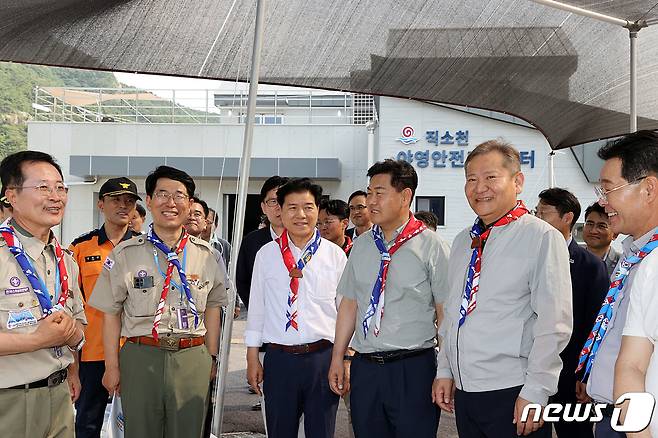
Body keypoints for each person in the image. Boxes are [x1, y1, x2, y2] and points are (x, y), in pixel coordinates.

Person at [434, 140, 572, 437]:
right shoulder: (463, 241)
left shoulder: (541, 237)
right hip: (465, 389)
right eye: (471, 179)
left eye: (490, 177)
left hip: (513, 391)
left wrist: (536, 391)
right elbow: (454, 311)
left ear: (518, 181)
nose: (479, 187)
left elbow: (554, 322)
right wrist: (444, 369)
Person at [89, 165, 228, 438]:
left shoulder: (208, 256)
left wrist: (211, 358)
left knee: (189, 431)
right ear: (150, 201)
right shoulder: (125, 254)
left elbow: (213, 308)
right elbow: (110, 314)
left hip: (192, 355)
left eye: (179, 195)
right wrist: (112, 366)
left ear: (189, 204)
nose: (171, 202)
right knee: (140, 431)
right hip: (141, 356)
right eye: (162, 194)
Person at [329, 159, 450, 438]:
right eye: (369, 192)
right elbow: (350, 303)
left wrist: (445, 370)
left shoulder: (433, 247)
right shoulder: (362, 245)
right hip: (366, 369)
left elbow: (445, 314)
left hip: (413, 369)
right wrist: (339, 357)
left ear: (405, 196)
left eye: (379, 193)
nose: (370, 201)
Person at [572, 130, 658, 438]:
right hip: (613, 412)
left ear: (648, 189)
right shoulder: (635, 255)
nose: (601, 201)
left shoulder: (651, 262)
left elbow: (634, 366)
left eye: (608, 189)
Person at [246, 178, 347, 438]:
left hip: (322, 359)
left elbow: (345, 311)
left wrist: (344, 358)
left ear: (317, 211)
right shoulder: (266, 255)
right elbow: (257, 307)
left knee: (321, 432)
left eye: (308, 207)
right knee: (280, 431)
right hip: (279, 360)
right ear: (280, 210)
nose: (300, 215)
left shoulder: (335, 255)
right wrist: (252, 356)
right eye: (292, 207)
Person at [0, 151, 87, 438]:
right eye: (43, 188)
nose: (55, 196)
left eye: (60, 188)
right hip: (10, 399)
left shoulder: (65, 259)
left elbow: (79, 326)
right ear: (11, 195)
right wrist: (38, 339)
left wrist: (73, 334)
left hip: (59, 395)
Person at [69, 177, 141, 438]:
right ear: (101, 204)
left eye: (129, 201)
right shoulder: (80, 248)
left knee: (138, 420)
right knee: (88, 421)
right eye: (115, 200)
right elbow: (71, 305)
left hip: (136, 349)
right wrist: (72, 364)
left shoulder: (146, 249)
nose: (123, 206)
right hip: (93, 351)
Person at [535, 187, 609, 438]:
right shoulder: (530, 258)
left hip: (572, 376)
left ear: (567, 218)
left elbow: (596, 326)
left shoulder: (591, 266)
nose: (536, 219)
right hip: (532, 373)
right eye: (536, 212)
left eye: (543, 213)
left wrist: (587, 374)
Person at [236, 175, 289, 414]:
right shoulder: (253, 242)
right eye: (272, 202)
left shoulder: (310, 241)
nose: (278, 208)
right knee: (276, 411)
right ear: (263, 207)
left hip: (307, 341)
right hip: (269, 337)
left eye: (283, 201)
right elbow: (244, 282)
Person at [583, 202, 620, 278]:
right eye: (590, 224)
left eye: (601, 226)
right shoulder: (570, 257)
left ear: (615, 234)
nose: (593, 231)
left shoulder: (622, 263)